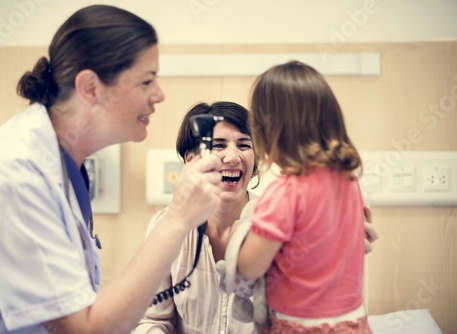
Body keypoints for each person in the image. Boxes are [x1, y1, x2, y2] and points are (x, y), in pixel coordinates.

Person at [0, 5, 223, 334]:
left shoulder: (65, 166)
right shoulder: (15, 177)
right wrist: (178, 218)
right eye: (147, 81)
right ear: (91, 88)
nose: (159, 95)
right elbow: (83, 329)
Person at [134, 102, 378, 333]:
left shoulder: (283, 223)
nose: (232, 157)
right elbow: (152, 318)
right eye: (218, 145)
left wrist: (340, 246)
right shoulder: (166, 226)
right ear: (192, 160)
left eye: (244, 145)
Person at [235, 60, 373, 333]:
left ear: (267, 129)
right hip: (353, 321)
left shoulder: (285, 191)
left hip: (300, 326)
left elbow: (249, 267)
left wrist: (241, 235)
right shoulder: (348, 181)